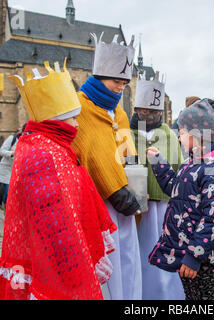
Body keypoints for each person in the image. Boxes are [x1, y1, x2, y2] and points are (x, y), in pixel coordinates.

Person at [0, 59, 117, 300]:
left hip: (63, 254)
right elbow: (52, 217)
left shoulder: (50, 145)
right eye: (73, 119)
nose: (76, 124)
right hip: (58, 263)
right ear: (58, 120)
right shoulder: (43, 153)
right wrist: (72, 264)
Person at [146, 94, 214, 300]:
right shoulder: (193, 162)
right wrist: (159, 163)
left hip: (202, 258)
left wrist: (194, 256)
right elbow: (175, 190)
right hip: (187, 250)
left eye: (181, 132)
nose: (179, 137)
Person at [71, 33, 142, 300]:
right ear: (99, 76)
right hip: (98, 201)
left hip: (127, 195)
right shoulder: (78, 106)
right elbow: (89, 151)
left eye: (124, 82)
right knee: (107, 263)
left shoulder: (120, 111)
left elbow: (127, 148)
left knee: (128, 258)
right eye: (116, 81)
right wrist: (114, 188)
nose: (120, 87)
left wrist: (136, 180)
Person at [130, 73, 185, 300]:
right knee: (138, 252)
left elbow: (179, 168)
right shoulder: (127, 133)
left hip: (162, 207)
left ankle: (164, 294)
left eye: (153, 112)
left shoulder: (168, 136)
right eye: (144, 111)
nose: (149, 115)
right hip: (134, 209)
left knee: (162, 250)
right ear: (136, 110)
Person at [0, 127, 24, 210]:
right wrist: (12, 153)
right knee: (8, 192)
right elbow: (2, 151)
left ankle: (10, 209)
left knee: (15, 193)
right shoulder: (12, 139)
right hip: (6, 170)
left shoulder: (27, 142)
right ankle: (5, 206)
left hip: (17, 171)